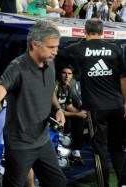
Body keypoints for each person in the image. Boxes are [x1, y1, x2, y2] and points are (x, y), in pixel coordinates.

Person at [0, 20, 67, 187]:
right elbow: (0, 89)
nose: (56, 51)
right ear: (35, 44)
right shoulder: (17, 67)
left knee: (58, 183)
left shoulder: (51, 63)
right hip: (20, 144)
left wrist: (58, 109)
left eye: (57, 46)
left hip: (42, 140)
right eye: (51, 47)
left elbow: (49, 90)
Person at [59, 18, 126, 187]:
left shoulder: (78, 48)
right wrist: (125, 102)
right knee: (118, 148)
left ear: (85, 31)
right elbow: (123, 77)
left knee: (99, 151)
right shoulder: (115, 49)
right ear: (103, 31)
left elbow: (57, 55)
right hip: (117, 105)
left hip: (96, 109)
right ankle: (123, 183)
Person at [54, 65, 88, 166]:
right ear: (60, 74)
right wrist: (77, 114)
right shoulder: (55, 86)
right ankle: (63, 155)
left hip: (63, 113)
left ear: (72, 76)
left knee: (81, 119)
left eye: (69, 74)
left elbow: (69, 106)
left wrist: (81, 113)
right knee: (68, 124)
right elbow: (57, 110)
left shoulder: (68, 87)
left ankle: (75, 152)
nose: (66, 76)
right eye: (64, 73)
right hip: (53, 114)